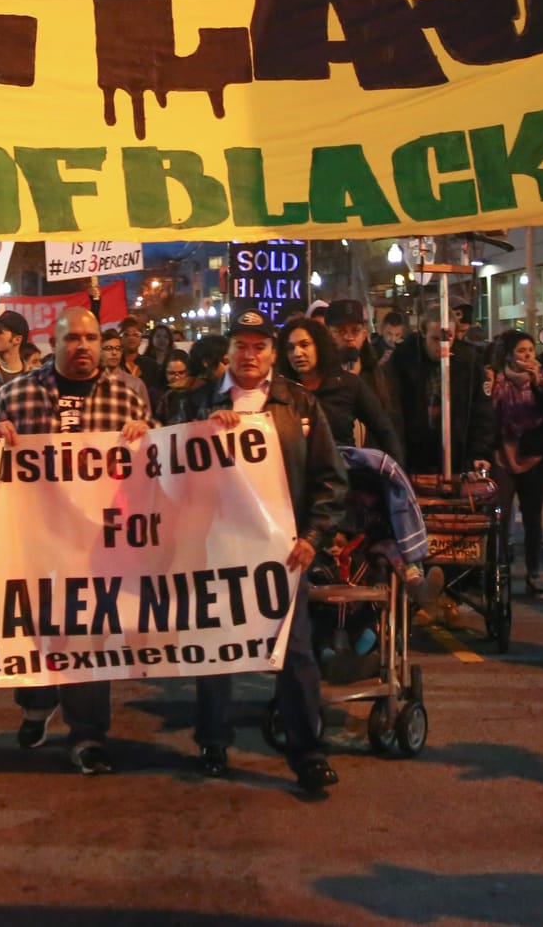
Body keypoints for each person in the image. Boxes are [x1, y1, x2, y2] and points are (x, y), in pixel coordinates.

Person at [162, 306, 349, 790]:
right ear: (227, 352)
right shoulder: (195, 404)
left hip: (282, 553)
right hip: (214, 549)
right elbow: (164, 471)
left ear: (272, 354)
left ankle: (306, 750)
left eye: (259, 346)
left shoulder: (300, 405)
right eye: (241, 346)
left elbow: (331, 479)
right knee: (215, 647)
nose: (249, 354)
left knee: (296, 653)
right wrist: (199, 434)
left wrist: (313, 538)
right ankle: (213, 742)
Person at [0, 308, 153, 775]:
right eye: (72, 338)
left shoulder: (126, 399)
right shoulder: (18, 393)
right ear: (53, 343)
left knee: (88, 634)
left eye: (91, 337)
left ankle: (88, 734)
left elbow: (153, 467)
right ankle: (35, 706)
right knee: (32, 631)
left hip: (96, 545)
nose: (83, 347)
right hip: (31, 541)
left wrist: (146, 438)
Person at [384, 307, 495, 478]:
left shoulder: (469, 361)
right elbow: (391, 411)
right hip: (414, 456)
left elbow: (482, 411)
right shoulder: (403, 358)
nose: (441, 346)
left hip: (458, 455)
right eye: (435, 339)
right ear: (423, 332)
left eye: (447, 338)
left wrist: (479, 453)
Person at [492, 330, 543, 598]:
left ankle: (534, 574)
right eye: (522, 351)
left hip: (534, 455)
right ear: (510, 354)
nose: (527, 356)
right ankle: (498, 572)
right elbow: (491, 417)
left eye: (530, 351)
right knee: (500, 513)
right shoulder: (498, 382)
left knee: (533, 516)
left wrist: (538, 385)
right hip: (504, 454)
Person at [281, 315, 401, 460]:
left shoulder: (347, 384)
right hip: (296, 475)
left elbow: (384, 430)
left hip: (343, 472)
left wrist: (394, 474)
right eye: (290, 348)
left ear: (319, 345)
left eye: (304, 344)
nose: (297, 353)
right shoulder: (282, 391)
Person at [328, 299, 405, 453]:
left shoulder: (380, 377)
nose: (349, 338)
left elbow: (393, 429)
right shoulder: (322, 380)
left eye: (355, 331)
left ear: (364, 335)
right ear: (329, 334)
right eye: (341, 331)